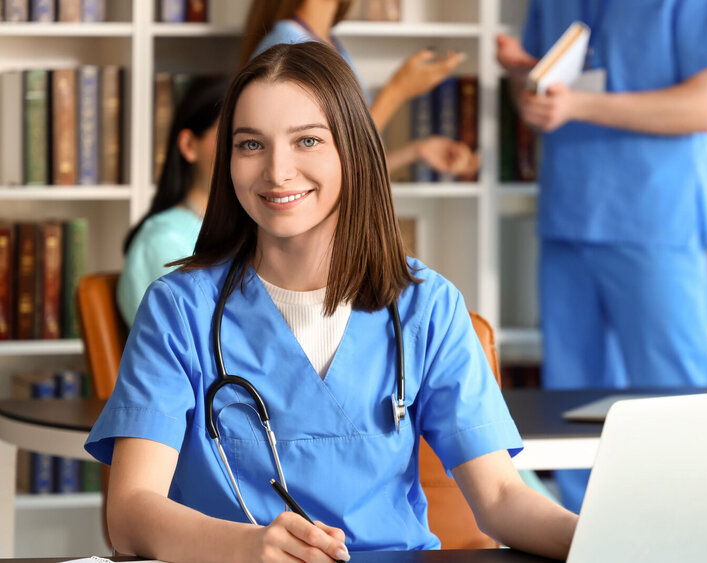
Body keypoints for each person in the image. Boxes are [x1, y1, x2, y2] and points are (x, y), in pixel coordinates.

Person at [84, 42, 577, 561]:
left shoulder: (427, 306)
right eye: (251, 145)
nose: (277, 171)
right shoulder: (178, 310)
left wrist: (603, 538)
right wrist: (250, 547)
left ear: (354, 151)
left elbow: (501, 497)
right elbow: (130, 512)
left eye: (308, 141)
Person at [496, 0, 707, 513]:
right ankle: (580, 539)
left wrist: (578, 106)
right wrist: (526, 85)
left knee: (679, 403)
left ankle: (699, 534)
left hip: (656, 219)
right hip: (569, 215)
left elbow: (703, 106)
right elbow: (539, 100)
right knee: (569, 407)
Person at [241, 0, 479, 179]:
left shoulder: (327, 43)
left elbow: (345, 168)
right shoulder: (288, 45)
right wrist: (397, 91)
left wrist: (418, 152)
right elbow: (337, 162)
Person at [116, 77, 228, 326]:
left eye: (252, 141)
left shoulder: (249, 231)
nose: (242, 151)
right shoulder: (163, 242)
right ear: (189, 145)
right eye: (229, 135)